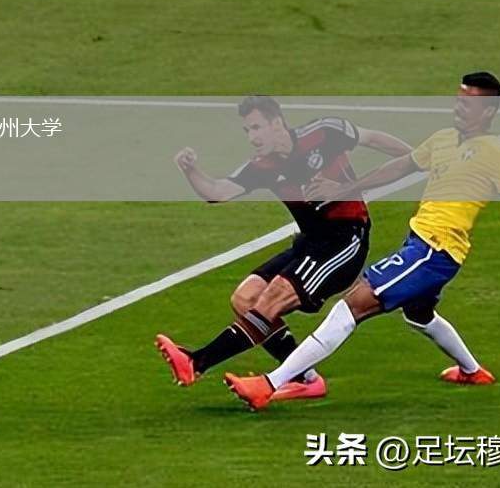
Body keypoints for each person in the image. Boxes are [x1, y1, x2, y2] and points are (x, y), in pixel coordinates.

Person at [225, 72, 500, 411]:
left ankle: (269, 384)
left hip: (434, 251)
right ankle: (472, 371)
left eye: (469, 103)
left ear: (488, 111)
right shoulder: (443, 140)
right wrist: (345, 189)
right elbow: (398, 168)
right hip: (421, 243)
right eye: (458, 99)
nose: (458, 107)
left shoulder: (493, 154)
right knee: (419, 314)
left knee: (350, 307)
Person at [157, 95, 411, 400]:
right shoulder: (262, 166)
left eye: (256, 128)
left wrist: (417, 158)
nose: (252, 137)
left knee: (273, 297)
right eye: (247, 131)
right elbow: (217, 192)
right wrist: (191, 170)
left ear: (277, 122)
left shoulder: (324, 132)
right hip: (310, 243)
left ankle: (197, 362)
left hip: (344, 241)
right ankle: (305, 378)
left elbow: (372, 138)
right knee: (246, 298)